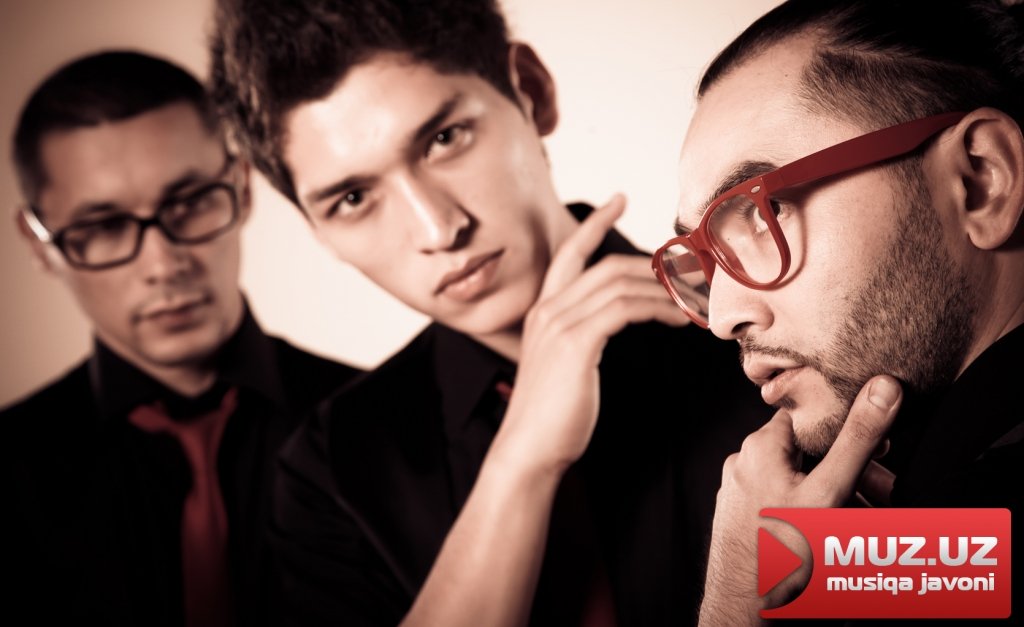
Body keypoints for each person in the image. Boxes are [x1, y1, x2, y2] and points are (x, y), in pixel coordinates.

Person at [209, 0, 769, 624]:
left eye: (444, 139)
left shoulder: (765, 332)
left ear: (531, 92)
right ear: (317, 231)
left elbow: (867, 584)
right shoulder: (331, 470)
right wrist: (522, 461)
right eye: (353, 198)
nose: (438, 229)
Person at [653, 0, 1024, 623]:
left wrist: (742, 600)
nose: (721, 317)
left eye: (764, 212)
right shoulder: (951, 545)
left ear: (981, 180)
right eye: (706, 258)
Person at [2, 50, 362, 626]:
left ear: (242, 187)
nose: (165, 264)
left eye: (191, 203)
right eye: (104, 227)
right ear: (40, 244)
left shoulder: (382, 425)